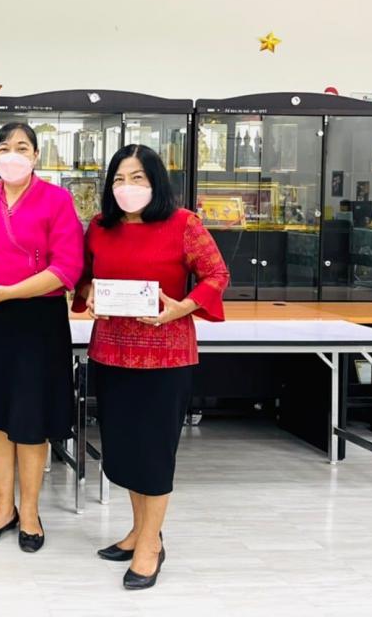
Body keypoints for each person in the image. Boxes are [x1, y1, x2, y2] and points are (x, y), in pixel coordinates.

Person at [73, 144, 229, 591]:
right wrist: (89, 295)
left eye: (137, 178)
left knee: (155, 453)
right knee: (124, 451)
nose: (127, 187)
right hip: (111, 354)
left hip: (165, 356)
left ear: (156, 181)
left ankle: (149, 547)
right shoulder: (100, 227)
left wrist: (182, 307)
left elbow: (217, 275)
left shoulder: (184, 224)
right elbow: (83, 278)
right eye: (119, 179)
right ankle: (142, 531)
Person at [0, 122, 84, 553]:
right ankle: (2, 507)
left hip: (36, 321)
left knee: (30, 420)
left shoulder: (57, 200)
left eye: (22, 147)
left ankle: (29, 513)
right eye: (4, 147)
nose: (13, 154)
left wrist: (10, 292)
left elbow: (66, 269)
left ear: (36, 156)